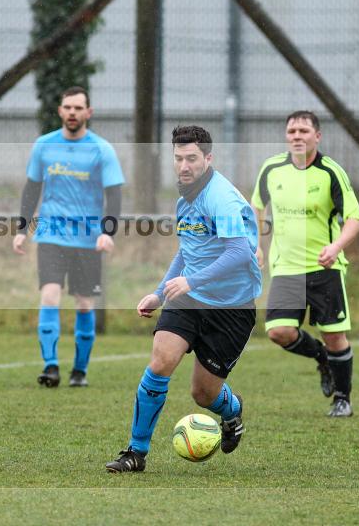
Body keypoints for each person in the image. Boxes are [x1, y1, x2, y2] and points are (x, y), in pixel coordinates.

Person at [106, 125, 261, 473]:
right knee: (161, 361)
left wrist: (190, 281)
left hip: (231, 308)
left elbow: (239, 253)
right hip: (189, 299)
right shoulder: (184, 199)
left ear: (208, 158)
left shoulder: (220, 196)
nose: (184, 165)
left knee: (203, 394)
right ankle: (135, 452)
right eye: (178, 158)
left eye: (191, 158)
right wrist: (160, 292)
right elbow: (187, 249)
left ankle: (232, 411)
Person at [251, 110, 359, 417]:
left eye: (303, 131)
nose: (297, 136)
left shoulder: (330, 172)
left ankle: (343, 399)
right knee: (278, 331)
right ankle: (321, 359)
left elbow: (354, 219)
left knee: (334, 335)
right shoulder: (272, 169)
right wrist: (256, 246)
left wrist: (336, 246)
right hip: (286, 268)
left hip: (324, 268)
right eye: (292, 131)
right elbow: (255, 208)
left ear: (317, 136)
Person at [12, 86, 124, 388]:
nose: (73, 113)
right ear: (60, 111)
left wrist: (107, 232)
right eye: (68, 107)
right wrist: (22, 230)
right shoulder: (44, 145)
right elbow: (32, 188)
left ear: (88, 112)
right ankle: (50, 367)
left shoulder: (102, 149)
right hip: (50, 234)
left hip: (88, 239)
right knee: (49, 295)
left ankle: (80, 371)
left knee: (84, 303)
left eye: (78, 108)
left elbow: (114, 195)